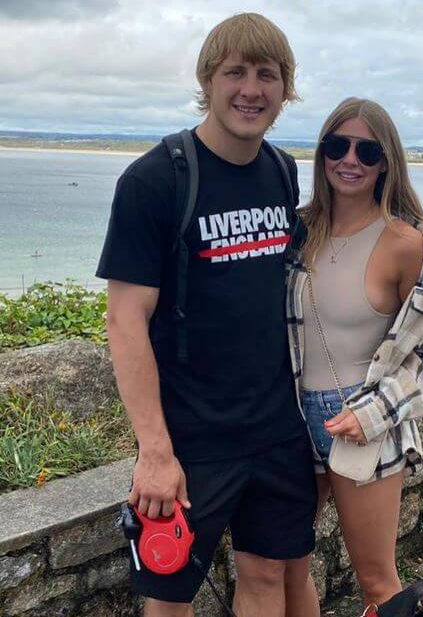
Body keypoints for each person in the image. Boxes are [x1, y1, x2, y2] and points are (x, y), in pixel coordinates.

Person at [96, 13, 318, 617]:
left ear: (284, 88)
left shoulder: (280, 170)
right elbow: (125, 322)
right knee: (169, 596)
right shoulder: (154, 180)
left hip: (276, 427)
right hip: (192, 437)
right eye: (235, 72)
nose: (252, 89)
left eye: (267, 75)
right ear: (208, 79)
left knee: (269, 573)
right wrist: (155, 453)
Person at [284, 98, 423, 615]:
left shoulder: (407, 244)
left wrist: (374, 411)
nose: (350, 159)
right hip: (291, 416)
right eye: (338, 146)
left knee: (378, 584)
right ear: (322, 154)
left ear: (387, 162)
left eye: (368, 149)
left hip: (364, 417)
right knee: (287, 564)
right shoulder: (298, 232)